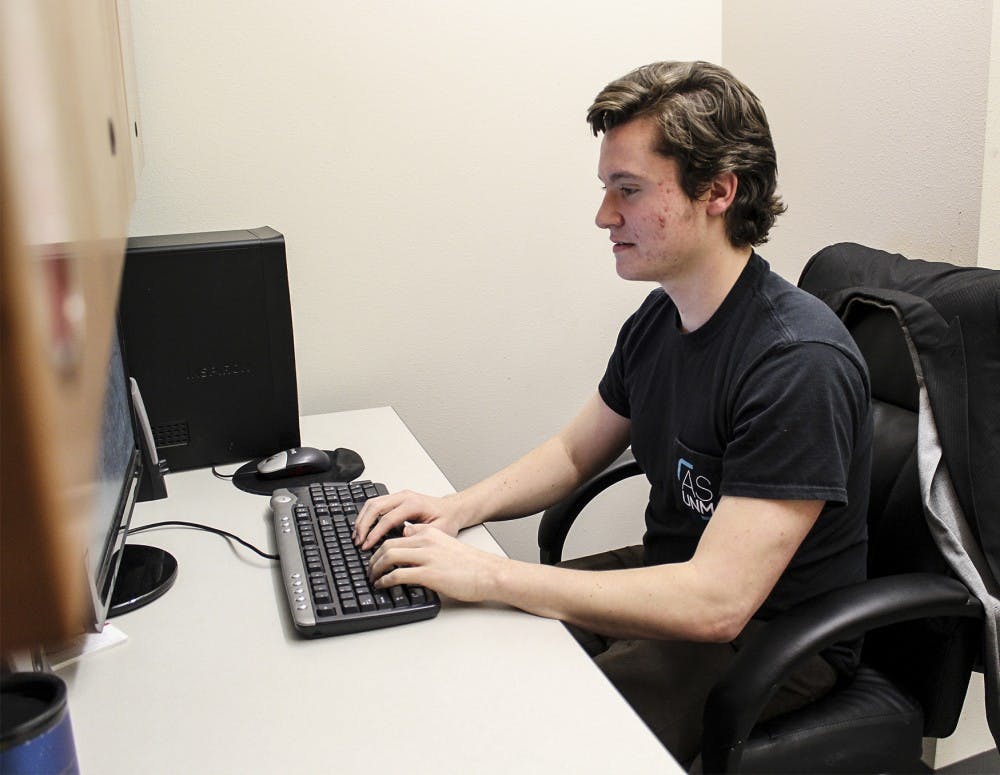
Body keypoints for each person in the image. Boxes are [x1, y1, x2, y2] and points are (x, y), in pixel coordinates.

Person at [354, 60, 873, 767]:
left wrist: (490, 573)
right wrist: (454, 508)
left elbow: (718, 602)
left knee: (536, 737)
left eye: (627, 191)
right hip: (679, 573)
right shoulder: (661, 319)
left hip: (771, 634)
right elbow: (573, 454)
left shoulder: (797, 362)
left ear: (719, 190)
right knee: (472, 647)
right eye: (607, 189)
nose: (604, 216)